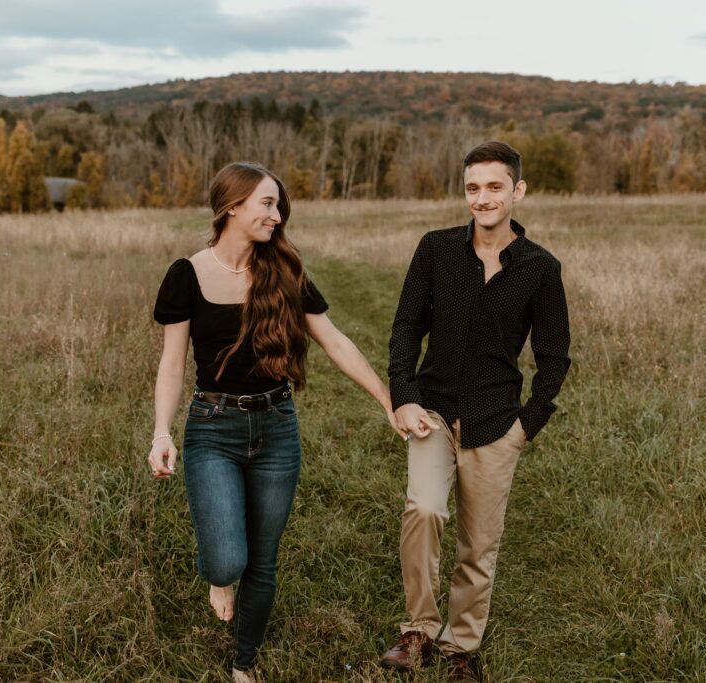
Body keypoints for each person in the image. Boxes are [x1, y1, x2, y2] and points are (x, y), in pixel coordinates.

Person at [149, 161, 400, 682]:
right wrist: (161, 432)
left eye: (278, 203)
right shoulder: (187, 275)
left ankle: (243, 664)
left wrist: (385, 397)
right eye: (267, 202)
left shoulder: (284, 270)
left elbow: (333, 340)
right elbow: (172, 363)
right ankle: (220, 579)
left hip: (277, 428)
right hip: (212, 428)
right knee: (227, 561)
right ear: (232, 207)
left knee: (263, 560)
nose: (277, 212)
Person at [381, 141, 571, 681]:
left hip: (496, 423)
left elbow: (554, 357)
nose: (482, 198)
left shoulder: (540, 269)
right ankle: (417, 629)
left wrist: (526, 426)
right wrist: (404, 394)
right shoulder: (436, 249)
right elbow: (405, 328)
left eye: (493, 187)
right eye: (472, 188)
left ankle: (459, 647)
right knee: (424, 511)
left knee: (478, 544)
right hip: (433, 412)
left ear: (518, 190)